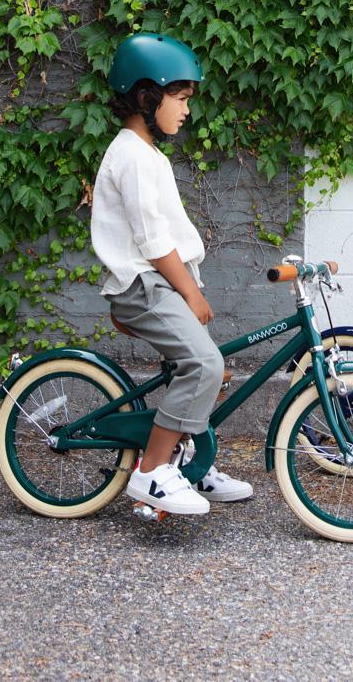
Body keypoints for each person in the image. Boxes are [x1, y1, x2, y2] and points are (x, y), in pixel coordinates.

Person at [90, 31, 253, 515]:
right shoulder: (132, 157)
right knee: (204, 365)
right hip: (147, 287)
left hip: (160, 284)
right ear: (147, 95)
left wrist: (187, 287)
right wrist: (192, 294)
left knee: (208, 368)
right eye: (179, 98)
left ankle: (187, 464)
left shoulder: (147, 154)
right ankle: (152, 474)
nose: (186, 110)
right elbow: (153, 243)